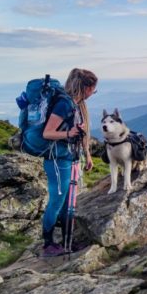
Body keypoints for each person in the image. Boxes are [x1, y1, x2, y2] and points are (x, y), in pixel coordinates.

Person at [40, 68, 98, 256]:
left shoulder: (76, 105)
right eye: (93, 90)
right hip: (57, 160)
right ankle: (48, 244)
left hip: (71, 158)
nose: (92, 94)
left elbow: (78, 132)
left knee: (69, 203)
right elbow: (47, 133)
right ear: (86, 87)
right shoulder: (64, 104)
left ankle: (67, 242)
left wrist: (87, 154)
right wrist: (68, 133)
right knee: (57, 202)